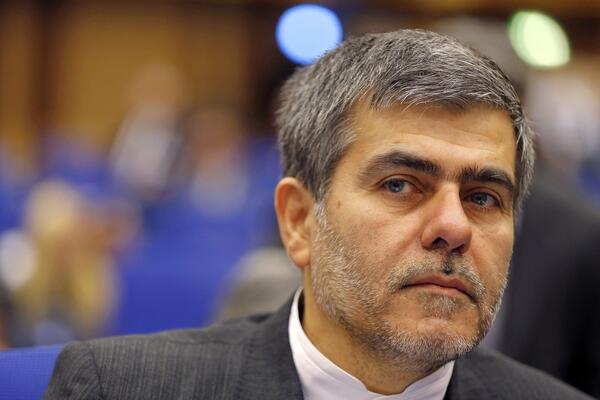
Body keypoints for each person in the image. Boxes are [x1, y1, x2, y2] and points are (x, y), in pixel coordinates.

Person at [43, 29, 591, 399]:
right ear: (299, 221)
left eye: (483, 197)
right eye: (400, 185)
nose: (453, 226)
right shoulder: (116, 387)